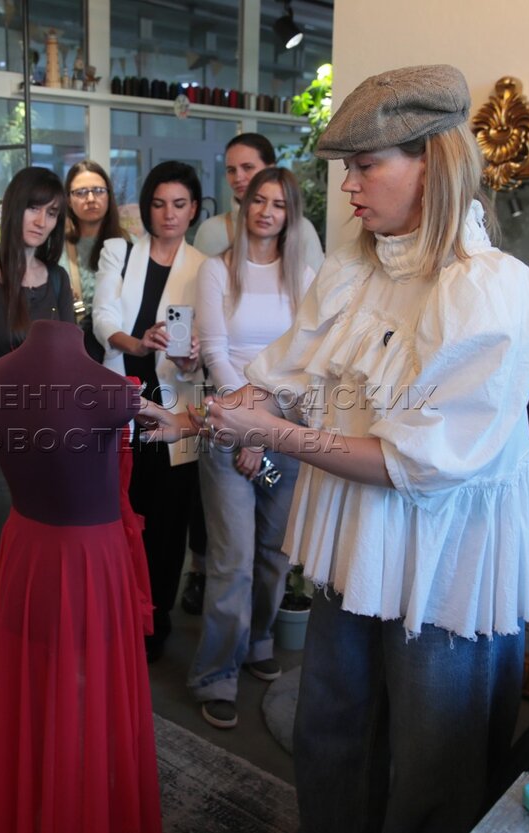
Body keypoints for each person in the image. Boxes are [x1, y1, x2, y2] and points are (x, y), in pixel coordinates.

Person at [138, 65, 529, 831]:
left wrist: (270, 434)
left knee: (434, 765)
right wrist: (196, 418)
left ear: (431, 162)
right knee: (332, 731)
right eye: (346, 168)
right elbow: (281, 378)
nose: (350, 186)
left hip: (444, 558)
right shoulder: (353, 269)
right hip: (354, 540)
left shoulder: (491, 290)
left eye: (365, 165)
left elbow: (410, 463)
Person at [0, 320, 160, 833]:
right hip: (89, 560)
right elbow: (169, 420)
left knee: (34, 682)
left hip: (24, 553)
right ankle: (81, 805)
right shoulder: (113, 391)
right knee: (89, 685)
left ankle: (40, 801)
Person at [190, 167, 324, 730]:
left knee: (273, 554)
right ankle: (217, 674)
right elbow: (215, 355)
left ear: (291, 215)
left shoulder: (306, 277)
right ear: (244, 207)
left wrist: (266, 428)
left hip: (285, 433)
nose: (267, 212)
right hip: (227, 430)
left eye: (279, 204)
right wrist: (246, 427)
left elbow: (306, 362)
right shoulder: (217, 271)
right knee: (233, 560)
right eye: (259, 201)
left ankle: (260, 640)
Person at [0, 167, 75, 665]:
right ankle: (2, 665)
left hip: (53, 437)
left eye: (52, 212)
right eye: (34, 207)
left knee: (51, 551)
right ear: (13, 208)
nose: (42, 221)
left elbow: (71, 360)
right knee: (1, 551)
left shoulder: (58, 278)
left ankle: (42, 657)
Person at [92, 160, 204, 662]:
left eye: (179, 204)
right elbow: (102, 319)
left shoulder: (205, 267)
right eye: (159, 204)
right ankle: (117, 616)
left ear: (194, 209)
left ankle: (154, 621)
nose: (168, 214)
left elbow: (205, 346)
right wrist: (138, 342)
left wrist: (192, 355)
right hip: (122, 399)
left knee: (169, 521)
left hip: (175, 404)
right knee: (119, 515)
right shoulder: (119, 251)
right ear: (146, 207)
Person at [60, 160, 128, 359]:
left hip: (118, 348)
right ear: (68, 199)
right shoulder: (55, 246)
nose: (90, 199)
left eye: (98, 191)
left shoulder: (128, 244)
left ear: (109, 195)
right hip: (70, 349)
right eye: (81, 192)